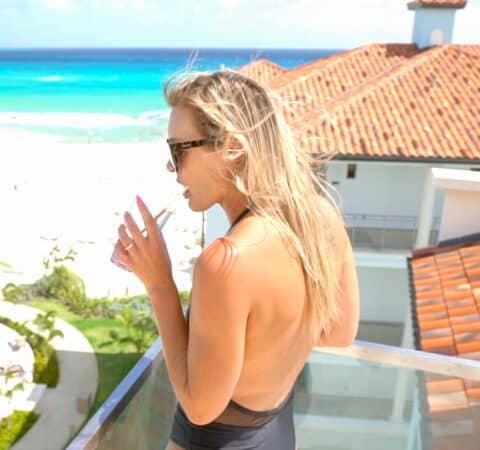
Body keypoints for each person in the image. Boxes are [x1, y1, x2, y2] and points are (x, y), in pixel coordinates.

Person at [112, 70, 359, 450]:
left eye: (179, 150)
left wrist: (159, 283)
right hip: (277, 434)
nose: (170, 167)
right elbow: (340, 332)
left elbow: (199, 407)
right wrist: (256, 344)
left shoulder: (226, 262)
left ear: (230, 146)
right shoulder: (321, 219)